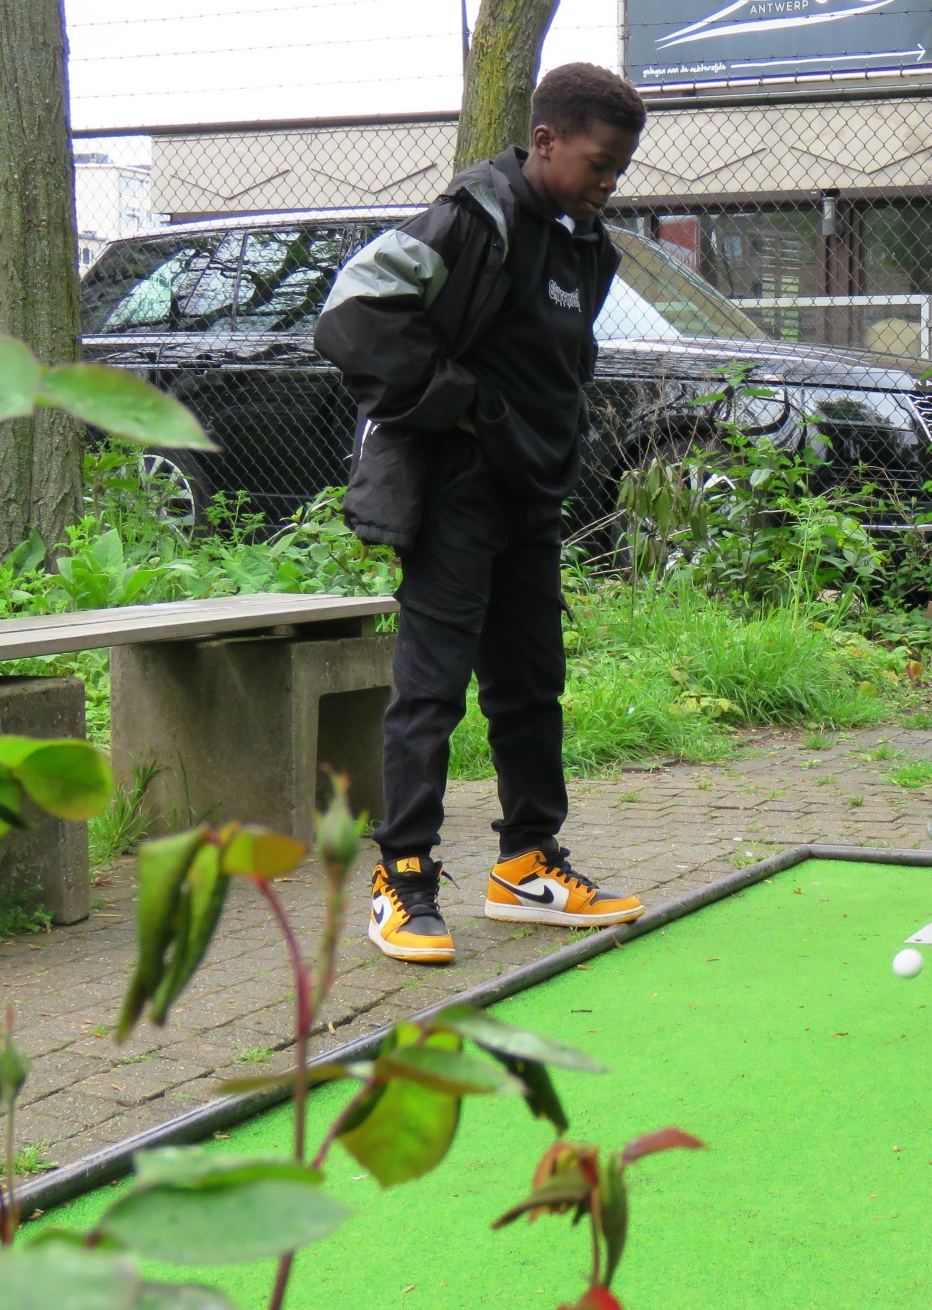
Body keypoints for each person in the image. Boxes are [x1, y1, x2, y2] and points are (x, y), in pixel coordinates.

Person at [314, 64, 651, 964]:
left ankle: (528, 865)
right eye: (598, 163)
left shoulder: (584, 242)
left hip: (531, 497)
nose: (609, 182)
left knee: (531, 688)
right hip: (457, 491)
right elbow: (349, 313)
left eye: (620, 168)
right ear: (545, 141)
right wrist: (458, 402)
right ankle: (404, 879)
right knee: (431, 690)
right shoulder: (472, 217)